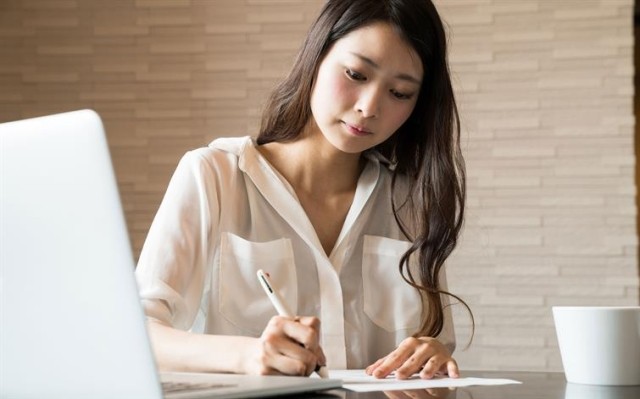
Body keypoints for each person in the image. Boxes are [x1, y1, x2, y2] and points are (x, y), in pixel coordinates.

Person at [135, 0, 471, 381]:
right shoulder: (214, 175)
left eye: (400, 93)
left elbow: (434, 343)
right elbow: (136, 333)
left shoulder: (410, 203)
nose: (369, 106)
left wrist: (432, 353)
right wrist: (248, 355)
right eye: (356, 74)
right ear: (316, 57)